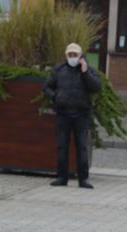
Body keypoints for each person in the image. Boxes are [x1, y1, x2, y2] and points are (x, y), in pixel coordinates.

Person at [43, 42, 101, 189]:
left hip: (81, 114)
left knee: (81, 147)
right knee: (62, 146)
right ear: (66, 55)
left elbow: (96, 87)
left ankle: (83, 179)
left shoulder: (87, 69)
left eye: (75, 54)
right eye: (70, 54)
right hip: (63, 113)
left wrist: (85, 71)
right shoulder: (59, 69)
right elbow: (47, 86)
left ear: (80, 55)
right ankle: (62, 178)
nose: (72, 57)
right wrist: (55, 96)